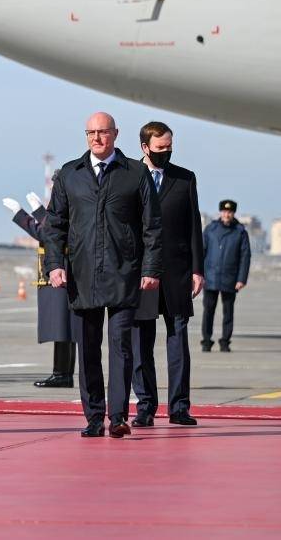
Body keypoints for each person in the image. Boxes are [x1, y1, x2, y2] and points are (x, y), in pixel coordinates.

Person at [44, 112, 162, 439]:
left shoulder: (136, 173)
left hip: (124, 274)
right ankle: (94, 417)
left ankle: (119, 415)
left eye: (103, 132)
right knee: (89, 350)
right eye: (91, 133)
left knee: (121, 347)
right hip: (82, 277)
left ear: (115, 134)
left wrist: (151, 269)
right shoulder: (70, 174)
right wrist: (54, 264)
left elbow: (152, 227)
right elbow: (54, 225)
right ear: (86, 136)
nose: (97, 138)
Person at [130, 121, 203, 427]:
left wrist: (198, 269)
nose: (166, 152)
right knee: (140, 343)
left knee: (178, 341)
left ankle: (180, 407)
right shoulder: (130, 176)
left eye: (169, 147)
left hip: (177, 272)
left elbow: (193, 227)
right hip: (142, 273)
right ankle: (145, 405)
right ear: (145, 148)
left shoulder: (185, 179)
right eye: (160, 148)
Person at [3, 188, 75, 388]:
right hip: (62, 271)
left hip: (63, 272)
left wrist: (27, 214)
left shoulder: (71, 208)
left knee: (63, 327)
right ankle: (63, 373)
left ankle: (62, 374)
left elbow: (48, 233)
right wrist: (39, 212)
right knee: (64, 329)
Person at [201, 199, 250, 353]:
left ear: (233, 213)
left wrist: (241, 279)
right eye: (224, 211)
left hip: (230, 278)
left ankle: (225, 341)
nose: (227, 214)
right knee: (208, 310)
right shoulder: (210, 229)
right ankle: (207, 341)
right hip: (210, 277)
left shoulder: (240, 231)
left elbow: (245, 256)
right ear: (220, 212)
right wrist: (198, 274)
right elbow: (201, 252)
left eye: (230, 212)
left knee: (228, 312)